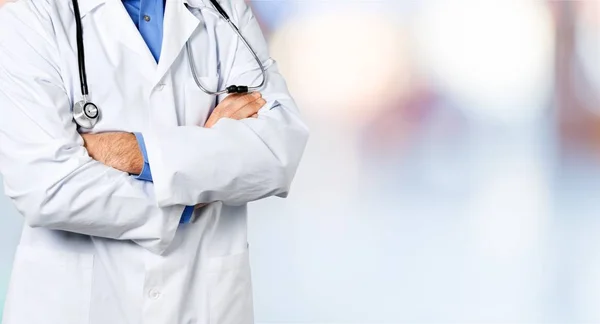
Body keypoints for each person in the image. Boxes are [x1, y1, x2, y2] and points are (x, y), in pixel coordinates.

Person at [0, 0, 309, 323]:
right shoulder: (33, 15)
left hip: (203, 302)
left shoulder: (223, 10)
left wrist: (136, 152)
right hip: (76, 304)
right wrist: (193, 193)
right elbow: (46, 188)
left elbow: (278, 151)